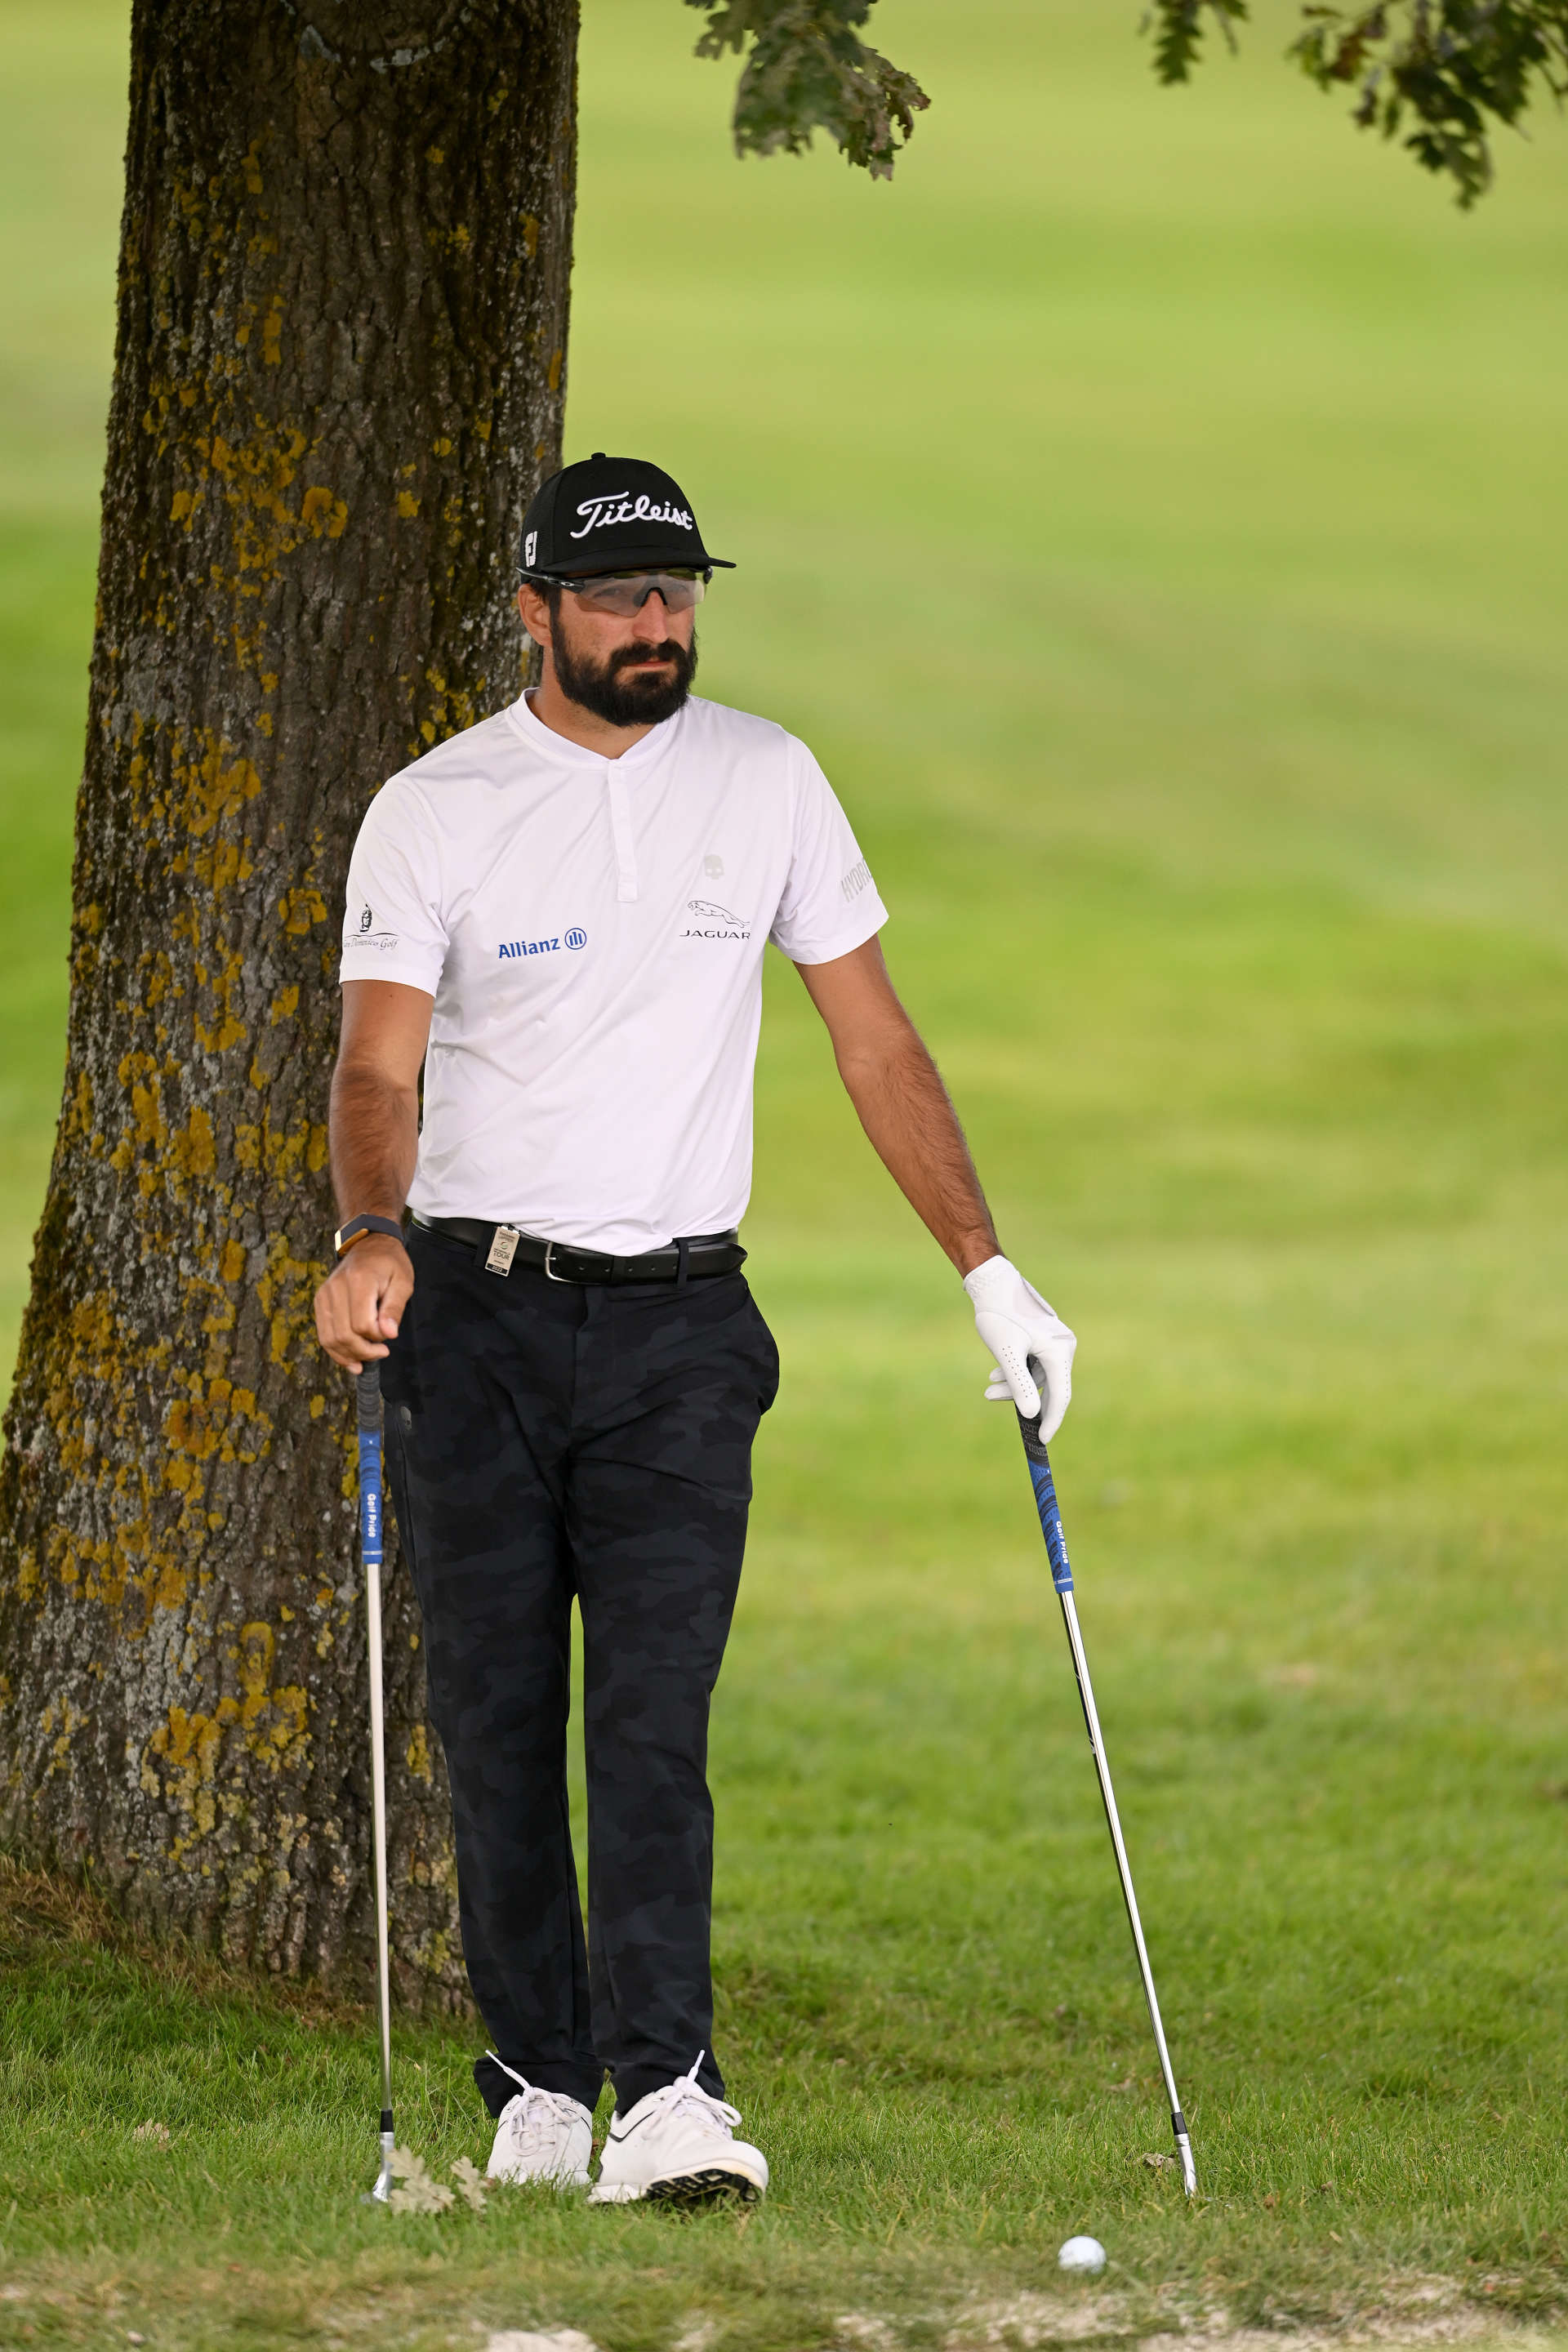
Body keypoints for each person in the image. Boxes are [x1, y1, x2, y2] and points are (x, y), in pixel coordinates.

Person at [313, 452, 1075, 2207]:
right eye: (620, 601)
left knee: (653, 1719)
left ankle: (665, 2093)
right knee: (498, 1715)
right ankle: (534, 2082)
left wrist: (987, 1265)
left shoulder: (770, 780)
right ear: (536, 612)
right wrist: (367, 1234)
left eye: (677, 598)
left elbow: (873, 1041)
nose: (658, 629)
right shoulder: (439, 806)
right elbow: (378, 1060)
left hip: (682, 1323)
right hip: (478, 1314)